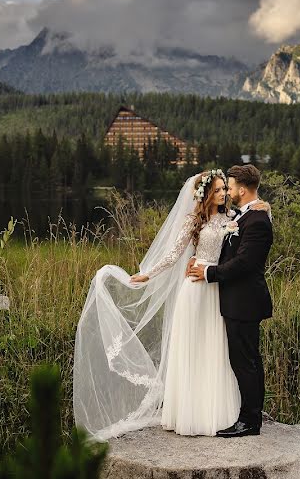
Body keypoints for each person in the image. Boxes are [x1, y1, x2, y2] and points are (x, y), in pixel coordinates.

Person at [72, 169, 270, 439]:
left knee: (219, 351)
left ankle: (222, 413)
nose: (224, 194)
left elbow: (246, 239)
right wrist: (148, 273)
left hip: (217, 291)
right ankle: (190, 413)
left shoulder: (234, 217)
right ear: (206, 194)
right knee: (192, 348)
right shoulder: (194, 221)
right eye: (219, 190)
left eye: (227, 189)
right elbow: (173, 255)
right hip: (195, 289)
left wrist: (265, 205)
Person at [187, 164, 274, 437]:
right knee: (247, 360)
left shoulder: (257, 220)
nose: (228, 191)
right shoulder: (248, 214)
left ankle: (249, 422)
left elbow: (245, 263)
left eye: (231, 186)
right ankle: (251, 416)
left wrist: (209, 272)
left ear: (242, 189)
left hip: (245, 301)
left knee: (245, 361)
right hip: (238, 300)